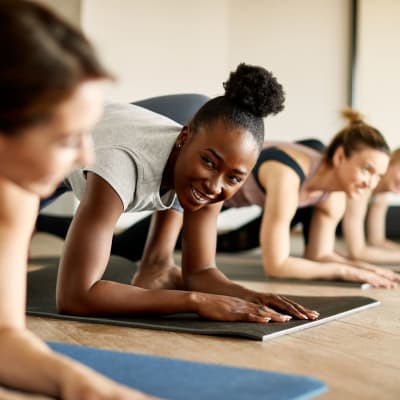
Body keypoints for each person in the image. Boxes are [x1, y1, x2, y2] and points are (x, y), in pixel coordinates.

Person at [50, 63, 319, 323]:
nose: (215, 186)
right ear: (184, 136)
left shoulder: (213, 183)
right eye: (209, 162)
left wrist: (255, 298)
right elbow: (74, 296)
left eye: (234, 177)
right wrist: (195, 301)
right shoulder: (120, 165)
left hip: (114, 126)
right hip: (36, 141)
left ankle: (156, 264)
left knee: (199, 170)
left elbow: (200, 271)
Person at [0, 1, 158, 399]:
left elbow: (3, 336)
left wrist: (87, 387)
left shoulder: (14, 196)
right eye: (67, 139)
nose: (87, 157)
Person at [128, 110, 400, 289]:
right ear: (340, 157)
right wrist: (344, 273)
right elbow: (277, 266)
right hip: (205, 193)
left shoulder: (335, 197)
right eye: (366, 170)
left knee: (221, 248)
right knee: (124, 250)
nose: (371, 183)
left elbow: (319, 254)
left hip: (229, 203)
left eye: (377, 175)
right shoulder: (288, 175)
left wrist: (364, 269)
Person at [342, 148, 400, 264]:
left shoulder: (381, 196)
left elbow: (377, 240)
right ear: (390, 162)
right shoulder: (363, 186)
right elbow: (357, 253)